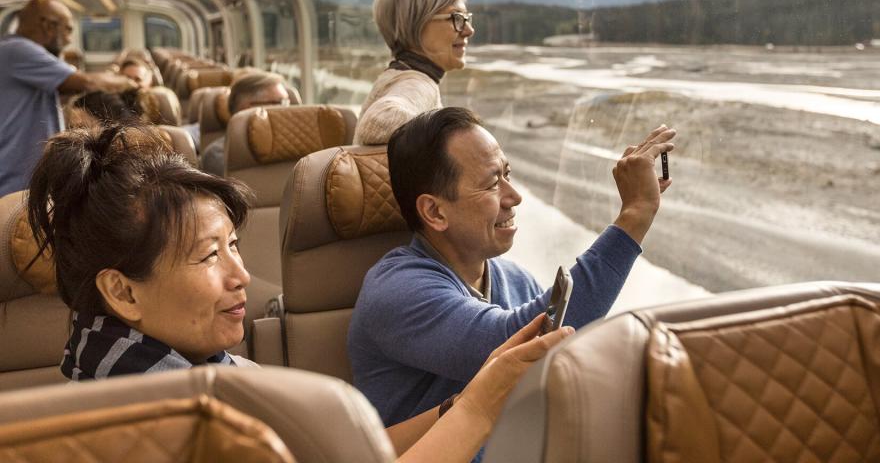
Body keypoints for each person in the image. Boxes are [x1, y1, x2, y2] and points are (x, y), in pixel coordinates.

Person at [27, 123, 571, 462]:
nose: (241, 275)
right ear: (122, 292)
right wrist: (481, 407)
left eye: (235, 246)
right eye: (209, 255)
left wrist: (459, 404)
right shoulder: (155, 419)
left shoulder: (169, 368)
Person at [349, 107, 675, 429]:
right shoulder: (396, 291)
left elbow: (566, 357)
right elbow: (515, 348)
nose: (514, 196)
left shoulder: (515, 280)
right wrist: (635, 215)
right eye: (493, 183)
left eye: (508, 174)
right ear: (434, 212)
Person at [0, 0, 136, 196]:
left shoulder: (14, 51)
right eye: (67, 29)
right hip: (16, 180)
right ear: (47, 26)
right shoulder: (19, 50)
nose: (69, 39)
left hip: (24, 176)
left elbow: (65, 90)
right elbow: (87, 83)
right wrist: (128, 83)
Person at [354, 0, 474, 145]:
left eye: (466, 18)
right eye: (456, 17)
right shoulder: (417, 84)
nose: (469, 30)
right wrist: (458, 133)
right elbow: (377, 122)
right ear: (418, 23)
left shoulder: (397, 76)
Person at [200, 71, 290, 176]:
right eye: (280, 103)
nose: (288, 109)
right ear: (248, 109)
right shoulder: (219, 155)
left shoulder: (295, 148)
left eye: (287, 102)